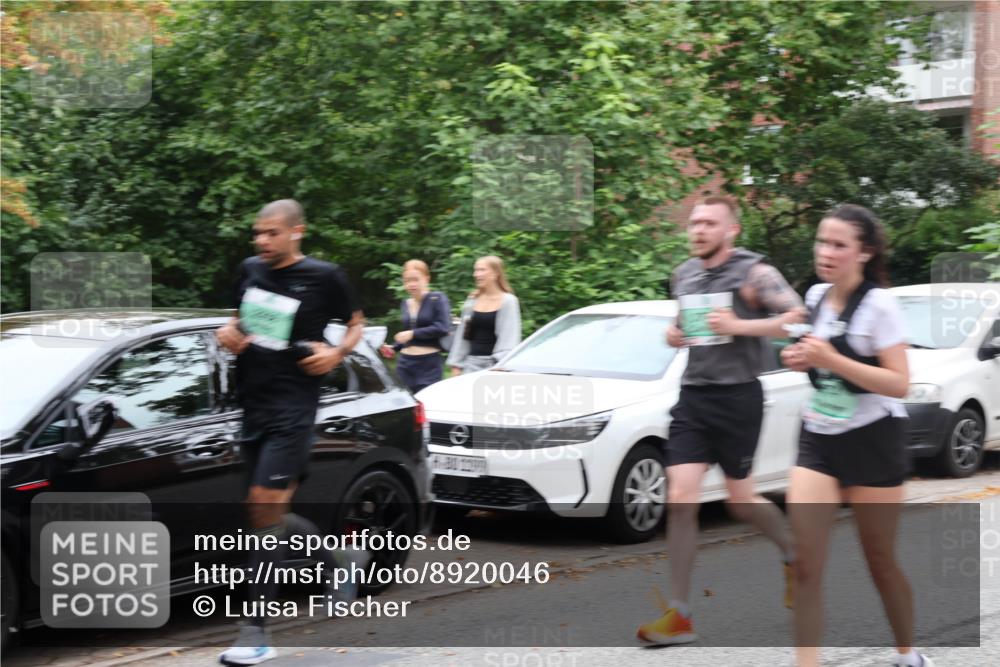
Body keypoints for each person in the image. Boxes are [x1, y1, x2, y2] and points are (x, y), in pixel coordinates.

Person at [637, 196, 805, 645]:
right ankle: (680, 613)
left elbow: (797, 318)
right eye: (694, 222)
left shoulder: (756, 274)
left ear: (732, 230)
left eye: (709, 223)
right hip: (693, 396)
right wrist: (672, 335)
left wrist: (741, 326)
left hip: (739, 397)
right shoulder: (684, 274)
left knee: (740, 500)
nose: (698, 230)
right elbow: (684, 326)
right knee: (681, 496)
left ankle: (792, 553)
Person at [215, 199, 368, 666]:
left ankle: (254, 633)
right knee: (263, 514)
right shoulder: (249, 270)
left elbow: (357, 324)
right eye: (257, 234)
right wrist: (229, 331)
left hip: (294, 408)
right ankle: (339, 561)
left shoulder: (324, 276)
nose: (261, 242)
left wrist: (335, 355)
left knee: (265, 505)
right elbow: (238, 318)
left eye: (271, 234)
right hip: (253, 404)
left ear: (296, 232)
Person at [780, 204, 934, 667]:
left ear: (863, 253)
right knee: (806, 563)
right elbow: (812, 353)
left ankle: (908, 652)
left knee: (880, 561)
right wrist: (799, 358)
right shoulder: (815, 297)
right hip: (819, 436)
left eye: (838, 245)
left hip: (874, 439)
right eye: (822, 241)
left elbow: (899, 383)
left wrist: (831, 360)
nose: (825, 252)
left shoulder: (880, 305)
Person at [379, 260, 452, 393]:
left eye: (415, 279)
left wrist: (413, 334)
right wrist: (394, 347)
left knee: (428, 405)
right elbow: (407, 334)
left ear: (426, 279)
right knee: (404, 406)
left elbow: (443, 327)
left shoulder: (437, 298)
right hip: (404, 364)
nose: (411, 284)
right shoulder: (405, 303)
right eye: (407, 281)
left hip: (429, 364)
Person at [446, 255, 521, 374]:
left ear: (495, 273)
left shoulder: (508, 301)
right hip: (471, 365)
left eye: (481, 270)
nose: (476, 274)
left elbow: (509, 337)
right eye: (475, 270)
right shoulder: (472, 300)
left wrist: (501, 364)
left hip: (495, 366)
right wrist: (456, 365)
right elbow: (463, 335)